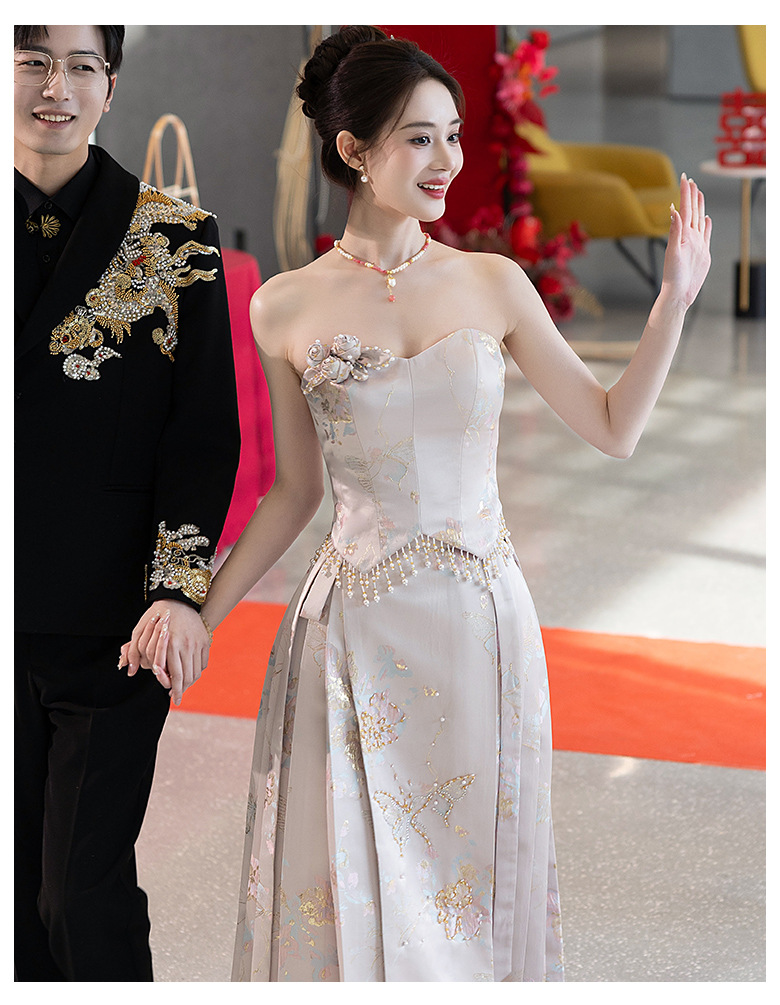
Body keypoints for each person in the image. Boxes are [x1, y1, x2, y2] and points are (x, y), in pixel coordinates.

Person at [135, 25, 711, 982]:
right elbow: (295, 492)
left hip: (483, 630)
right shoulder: (284, 305)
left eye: (452, 135)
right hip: (349, 637)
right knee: (352, 890)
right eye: (418, 138)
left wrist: (673, 303)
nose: (447, 160)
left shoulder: (493, 282)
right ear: (354, 150)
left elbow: (613, 427)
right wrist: (199, 610)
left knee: (471, 890)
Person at [15, 25, 240, 981]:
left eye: (81, 66)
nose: (55, 87)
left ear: (110, 85)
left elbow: (203, 436)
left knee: (82, 889)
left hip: (115, 625)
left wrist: (179, 591)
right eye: (31, 60)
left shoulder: (177, 237)